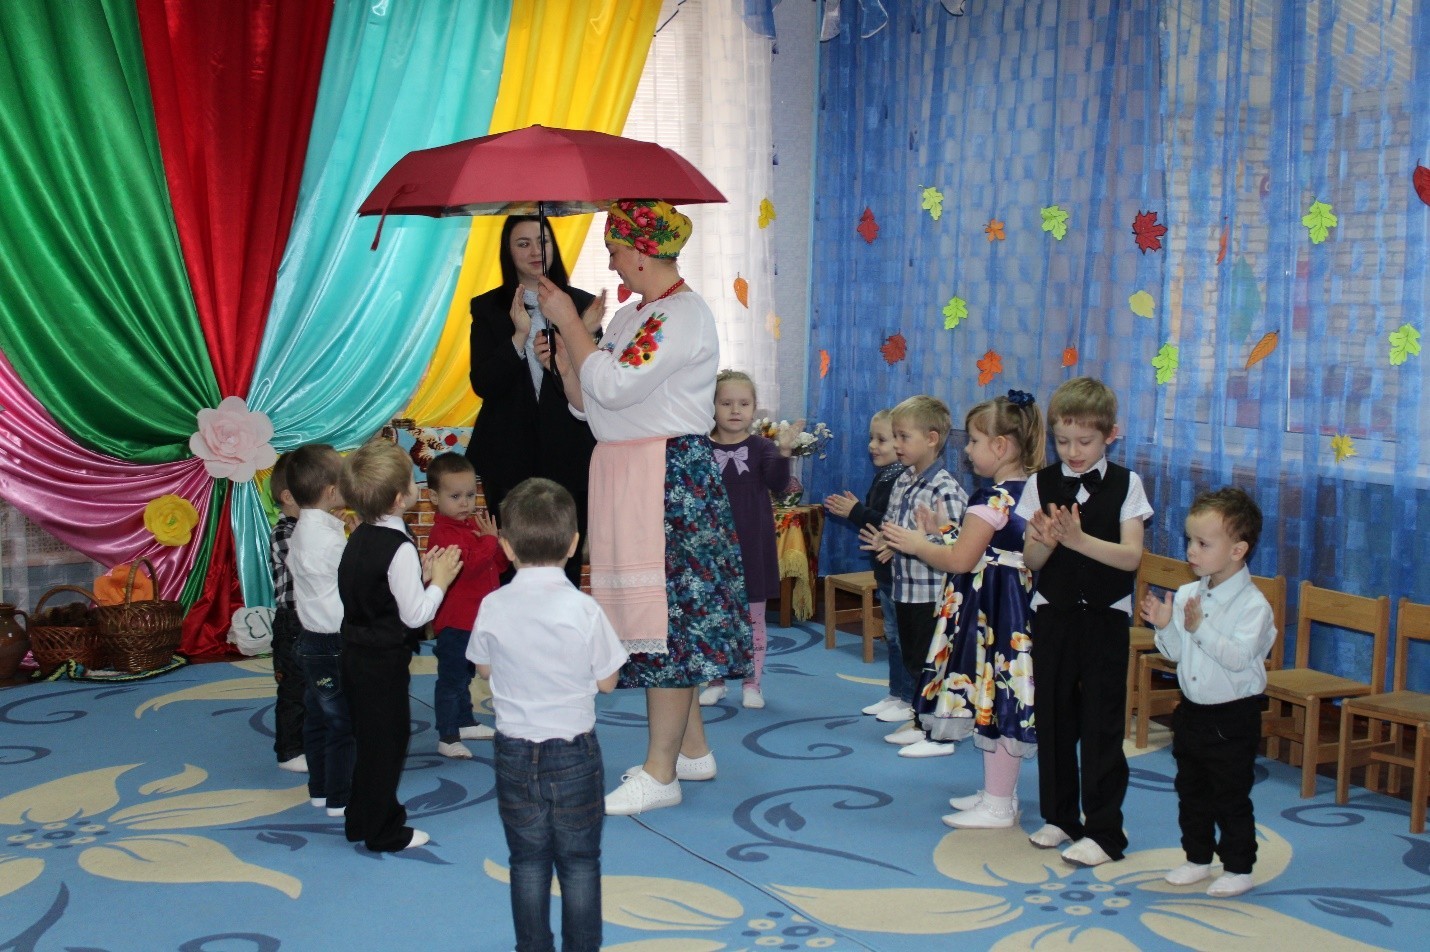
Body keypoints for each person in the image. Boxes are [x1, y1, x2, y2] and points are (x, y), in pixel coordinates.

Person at [536, 199, 753, 816]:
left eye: (614, 250)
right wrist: (568, 358)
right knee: (656, 616)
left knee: (668, 623)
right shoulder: (636, 315)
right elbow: (593, 403)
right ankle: (691, 750)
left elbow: (613, 382)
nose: (612, 263)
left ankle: (661, 774)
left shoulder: (682, 314)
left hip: (666, 476)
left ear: (640, 250)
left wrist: (572, 324)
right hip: (630, 472)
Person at [468, 478, 627, 952]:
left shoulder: (493, 604)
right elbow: (608, 681)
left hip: (514, 752)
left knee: (527, 861)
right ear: (574, 543)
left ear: (506, 546)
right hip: (574, 753)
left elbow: (482, 668)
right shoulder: (584, 609)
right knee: (579, 862)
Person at [880, 391, 1044, 829]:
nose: (968, 451)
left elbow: (960, 559)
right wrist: (946, 529)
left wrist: (918, 543)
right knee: (996, 695)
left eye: (973, 441)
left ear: (1000, 446)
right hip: (1007, 606)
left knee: (996, 698)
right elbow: (990, 544)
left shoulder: (990, 498)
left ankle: (999, 804)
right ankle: (998, 791)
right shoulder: (1026, 490)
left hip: (993, 613)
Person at [1016, 376, 1152, 867]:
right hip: (1052, 613)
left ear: (1110, 435)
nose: (1073, 452)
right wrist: (1046, 542)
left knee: (1101, 723)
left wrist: (1078, 541)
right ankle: (1060, 817)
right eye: (1062, 441)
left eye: (1085, 442)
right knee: (1053, 719)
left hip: (1104, 618)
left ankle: (1104, 831)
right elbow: (1031, 560)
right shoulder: (1040, 483)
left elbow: (1131, 557)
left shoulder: (1127, 484)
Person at [1141, 487, 1275, 898]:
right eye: (1190, 541)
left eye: (1203, 543)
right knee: (1191, 791)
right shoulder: (1188, 594)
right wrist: (1165, 626)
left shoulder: (1253, 606)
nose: (1191, 551)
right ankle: (1197, 858)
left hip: (1234, 715)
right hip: (1192, 711)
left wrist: (1199, 627)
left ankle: (1238, 867)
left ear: (1237, 550)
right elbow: (1176, 654)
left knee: (1230, 794)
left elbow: (1238, 658)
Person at [466, 215, 605, 588]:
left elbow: (596, 380)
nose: (535, 251)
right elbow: (483, 384)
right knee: (511, 561)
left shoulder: (581, 305)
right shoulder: (487, 307)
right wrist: (518, 337)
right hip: (507, 454)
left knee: (566, 560)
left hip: (570, 451)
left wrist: (578, 335)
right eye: (523, 243)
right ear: (508, 251)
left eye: (542, 241)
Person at [337, 439, 462, 853]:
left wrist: (419, 578)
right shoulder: (399, 545)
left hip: (355, 654)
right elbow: (415, 616)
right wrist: (440, 582)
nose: (416, 485)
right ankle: (384, 831)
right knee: (386, 747)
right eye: (412, 480)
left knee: (369, 742)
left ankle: (360, 819)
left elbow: (375, 591)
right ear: (398, 498)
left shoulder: (361, 534)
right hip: (382, 662)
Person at [858, 395, 968, 759]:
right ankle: (922, 721)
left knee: (931, 662)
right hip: (904, 586)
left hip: (932, 592)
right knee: (913, 659)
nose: (897, 444)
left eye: (903, 437)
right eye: (896, 437)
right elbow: (897, 526)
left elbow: (956, 541)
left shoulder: (944, 487)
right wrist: (886, 541)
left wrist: (917, 542)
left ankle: (940, 733)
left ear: (932, 439)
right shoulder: (904, 479)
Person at [699, 369, 799, 710]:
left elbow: (777, 483)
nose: (735, 410)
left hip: (752, 548)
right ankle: (715, 680)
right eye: (726, 403)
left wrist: (784, 452)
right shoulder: (701, 447)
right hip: (712, 549)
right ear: (712, 406)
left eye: (743, 403)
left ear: (754, 408)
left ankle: (752, 683)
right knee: (714, 618)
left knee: (753, 618)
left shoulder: (762, 447)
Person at [824, 409, 911, 722]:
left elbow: (890, 523)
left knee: (904, 638)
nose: (873, 445)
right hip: (885, 570)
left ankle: (909, 698)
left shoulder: (902, 479)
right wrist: (857, 511)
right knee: (892, 635)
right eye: (871, 438)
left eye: (882, 440)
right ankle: (896, 693)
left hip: (903, 572)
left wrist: (856, 511)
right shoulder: (885, 476)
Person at [286, 443, 354, 818]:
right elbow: (350, 581)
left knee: (316, 717)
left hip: (312, 639)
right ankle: (340, 797)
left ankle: (320, 789)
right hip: (333, 643)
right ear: (331, 491)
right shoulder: (327, 540)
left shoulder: (306, 529)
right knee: (343, 723)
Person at [424, 452, 505, 758]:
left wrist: (495, 543)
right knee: (452, 678)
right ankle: (447, 735)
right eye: (455, 496)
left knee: (467, 675)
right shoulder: (443, 533)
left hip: (479, 620)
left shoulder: (473, 526)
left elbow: (495, 565)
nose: (465, 503)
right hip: (456, 622)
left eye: (471, 495)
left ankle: (465, 721)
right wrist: (489, 541)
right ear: (434, 497)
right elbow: (468, 567)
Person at [267, 452, 307, 774]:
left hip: (315, 621)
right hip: (292, 623)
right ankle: (290, 750)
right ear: (288, 497)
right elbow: (306, 564)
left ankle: (311, 738)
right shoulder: (284, 532)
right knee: (294, 687)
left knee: (318, 684)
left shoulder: (311, 529)